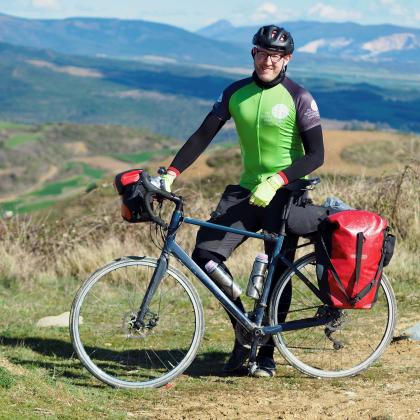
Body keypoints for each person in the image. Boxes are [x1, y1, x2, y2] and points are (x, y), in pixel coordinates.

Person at [160, 25, 324, 377]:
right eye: (262, 53)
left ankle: (266, 354)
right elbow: (203, 134)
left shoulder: (299, 97)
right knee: (205, 254)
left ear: (287, 60)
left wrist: (279, 180)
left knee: (278, 275)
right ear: (253, 53)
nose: (268, 60)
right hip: (247, 190)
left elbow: (316, 155)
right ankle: (244, 325)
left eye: (276, 55)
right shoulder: (236, 92)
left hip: (287, 193)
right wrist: (172, 171)